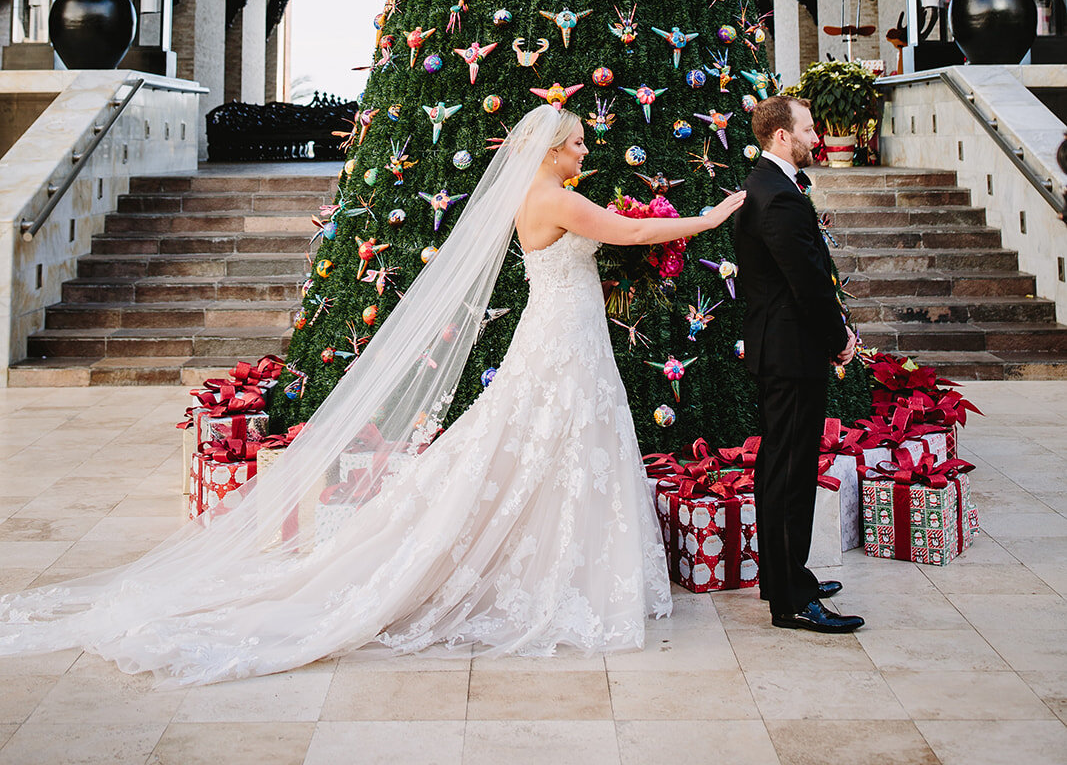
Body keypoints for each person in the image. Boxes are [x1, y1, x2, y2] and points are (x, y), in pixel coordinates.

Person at [0, 105, 744, 684]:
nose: (585, 151)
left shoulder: (538, 193)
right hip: (562, 337)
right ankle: (554, 571)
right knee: (553, 434)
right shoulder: (558, 199)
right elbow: (627, 233)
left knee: (548, 437)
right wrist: (709, 217)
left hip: (562, 329)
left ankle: (556, 559)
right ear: (551, 149)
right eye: (577, 142)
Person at [732, 94, 865, 634]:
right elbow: (807, 279)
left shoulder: (768, 185)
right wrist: (838, 338)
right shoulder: (780, 196)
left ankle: (782, 577)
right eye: (810, 129)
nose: (817, 137)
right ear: (782, 136)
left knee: (779, 467)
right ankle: (791, 598)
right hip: (791, 351)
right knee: (789, 473)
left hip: (780, 347)